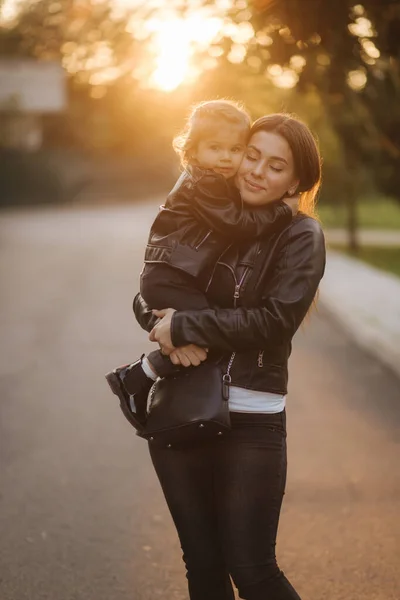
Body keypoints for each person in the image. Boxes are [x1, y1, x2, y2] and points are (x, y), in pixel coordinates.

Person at [132, 113, 326, 600]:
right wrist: (158, 320)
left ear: (297, 179)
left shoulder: (300, 235)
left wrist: (185, 325)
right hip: (181, 406)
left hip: (251, 419)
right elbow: (153, 285)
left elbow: (273, 321)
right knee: (203, 567)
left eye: (275, 165)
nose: (256, 171)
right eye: (250, 155)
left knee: (253, 570)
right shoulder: (205, 208)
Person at [105, 100, 299, 427]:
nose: (226, 157)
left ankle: (141, 378)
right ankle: (138, 377)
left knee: (200, 334)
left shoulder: (214, 182)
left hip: (173, 275)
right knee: (207, 333)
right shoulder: (206, 183)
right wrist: (283, 211)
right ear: (193, 151)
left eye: (236, 149)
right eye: (215, 148)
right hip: (172, 277)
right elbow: (238, 224)